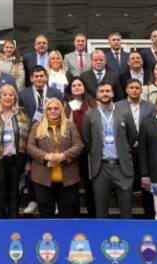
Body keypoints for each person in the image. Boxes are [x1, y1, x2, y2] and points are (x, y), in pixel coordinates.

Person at [82, 81, 138, 219]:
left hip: (122, 166)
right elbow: (87, 139)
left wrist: (123, 150)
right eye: (102, 91)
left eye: (108, 91)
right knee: (101, 211)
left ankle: (127, 238)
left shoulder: (124, 113)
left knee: (126, 211)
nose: (105, 94)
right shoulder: (90, 115)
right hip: (101, 167)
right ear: (97, 95)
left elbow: (132, 137)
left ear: (113, 93)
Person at [27, 97, 84, 217]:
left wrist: (63, 156)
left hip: (68, 180)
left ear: (61, 110)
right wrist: (47, 156)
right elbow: (30, 147)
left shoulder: (70, 126)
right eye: (49, 108)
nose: (52, 111)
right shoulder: (36, 126)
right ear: (45, 111)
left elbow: (79, 145)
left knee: (68, 214)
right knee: (46, 214)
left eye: (56, 108)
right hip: (42, 180)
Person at [0, 85, 31, 218]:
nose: (7, 97)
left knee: (14, 195)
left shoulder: (22, 115)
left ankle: (14, 224)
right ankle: (0, 226)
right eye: (4, 94)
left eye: (11, 95)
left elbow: (28, 140)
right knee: (0, 195)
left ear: (15, 98)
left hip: (18, 159)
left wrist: (28, 161)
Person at [116, 79, 156, 219]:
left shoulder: (150, 107)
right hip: (125, 151)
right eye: (131, 87)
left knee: (147, 185)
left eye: (137, 88)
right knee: (126, 185)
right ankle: (126, 216)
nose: (134, 90)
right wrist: (129, 143)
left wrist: (141, 142)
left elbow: (153, 127)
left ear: (141, 90)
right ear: (126, 90)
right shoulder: (118, 106)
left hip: (145, 151)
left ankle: (149, 215)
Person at [63, 76, 97, 217]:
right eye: (74, 85)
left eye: (80, 85)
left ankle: (92, 215)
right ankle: (75, 215)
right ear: (70, 89)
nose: (77, 87)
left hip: (90, 149)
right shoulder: (65, 105)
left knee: (90, 184)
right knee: (73, 184)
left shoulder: (92, 104)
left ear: (84, 87)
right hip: (72, 149)